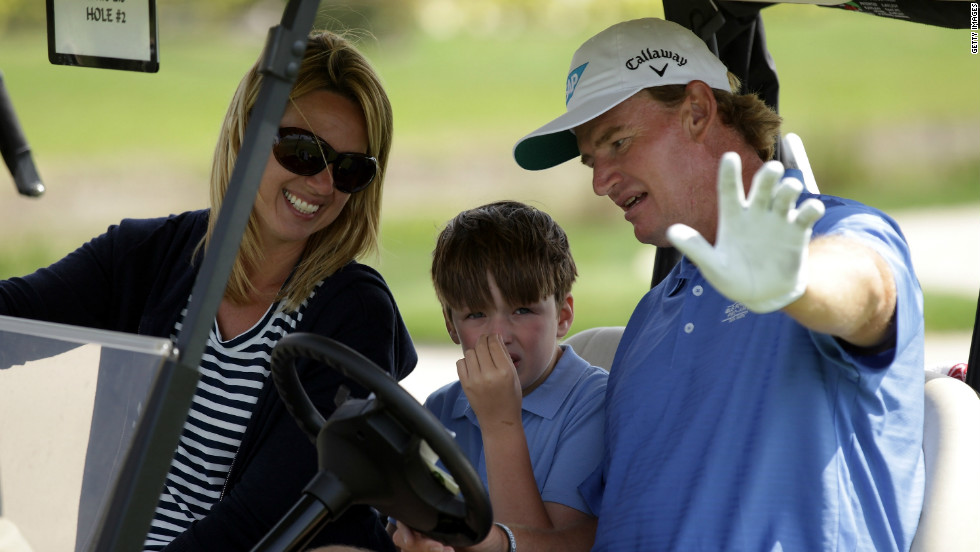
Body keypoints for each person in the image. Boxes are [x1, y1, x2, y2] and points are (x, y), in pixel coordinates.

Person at [394, 17, 925, 552]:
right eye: (592, 160)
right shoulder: (652, 316)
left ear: (697, 110)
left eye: (618, 143)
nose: (600, 182)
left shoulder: (823, 237)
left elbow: (869, 294)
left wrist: (796, 279)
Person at [0, 30, 415, 551]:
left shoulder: (353, 314)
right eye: (303, 151)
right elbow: (11, 318)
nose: (324, 184)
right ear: (245, 134)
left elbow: (264, 515)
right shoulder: (145, 255)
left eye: (351, 169)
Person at [422, 201, 607, 536]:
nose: (500, 335)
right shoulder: (440, 408)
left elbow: (553, 545)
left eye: (522, 310)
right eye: (475, 315)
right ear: (451, 326)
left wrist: (500, 424)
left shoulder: (595, 404)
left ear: (562, 316)